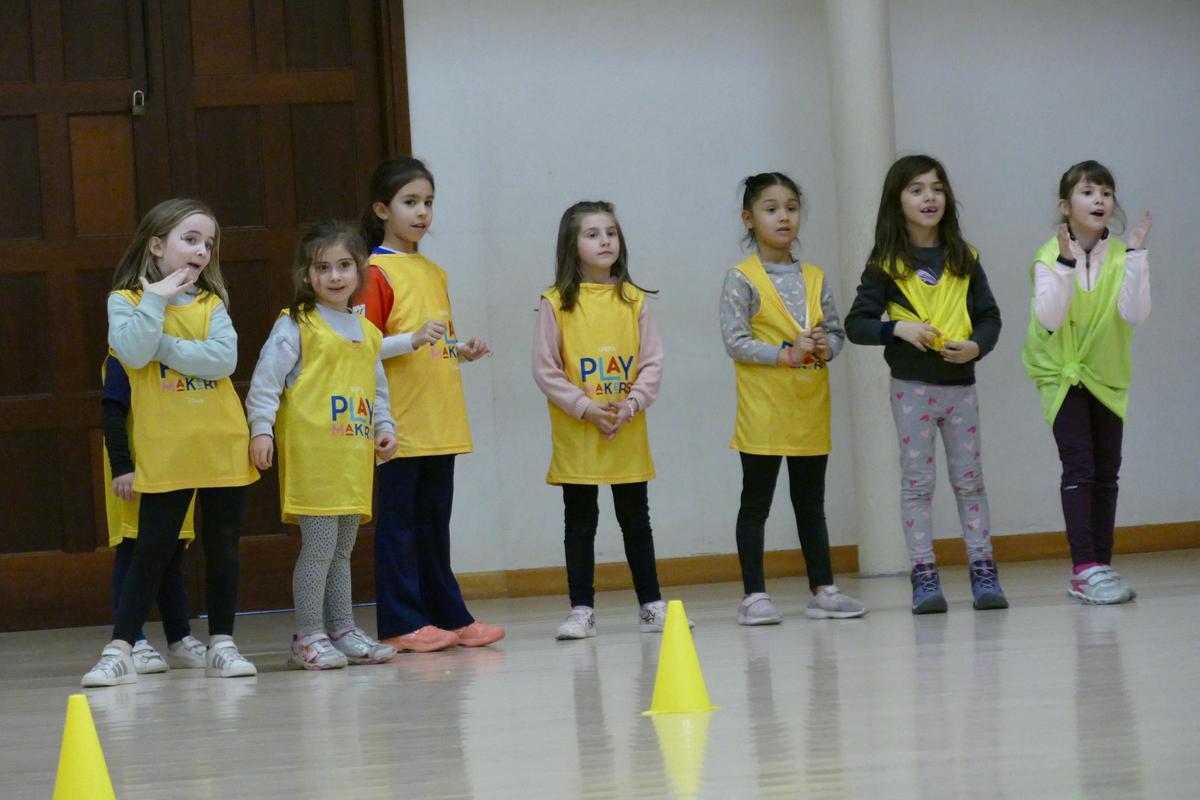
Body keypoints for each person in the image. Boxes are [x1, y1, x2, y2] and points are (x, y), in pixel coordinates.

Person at [83, 198, 259, 687]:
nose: (202, 250)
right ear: (157, 245)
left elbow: (223, 360)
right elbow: (132, 352)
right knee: (152, 550)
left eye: (209, 243)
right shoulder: (125, 302)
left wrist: (163, 347)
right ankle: (121, 649)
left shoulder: (212, 304)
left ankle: (222, 643)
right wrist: (156, 302)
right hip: (166, 449)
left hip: (222, 441)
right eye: (190, 239)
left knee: (222, 546)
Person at [845, 155, 1007, 613]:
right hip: (911, 389)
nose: (929, 197)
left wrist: (976, 346)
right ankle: (924, 574)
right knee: (917, 484)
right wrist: (898, 328)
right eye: (916, 190)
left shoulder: (965, 258)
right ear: (897, 202)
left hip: (961, 388)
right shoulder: (885, 263)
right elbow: (856, 325)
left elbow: (990, 317)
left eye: (936, 188)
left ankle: (983, 571)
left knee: (970, 481)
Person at [358, 157, 505, 652]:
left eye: (428, 202)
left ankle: (448, 615)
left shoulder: (434, 271)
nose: (422, 212)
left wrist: (460, 350)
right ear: (382, 209)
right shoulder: (374, 272)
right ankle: (401, 622)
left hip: (441, 419)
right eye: (410, 202)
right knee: (398, 526)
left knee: (434, 524)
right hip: (400, 423)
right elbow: (360, 346)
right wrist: (412, 339)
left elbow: (435, 344)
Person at [246, 222, 399, 669]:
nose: (334, 276)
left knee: (343, 550)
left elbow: (377, 390)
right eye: (323, 267)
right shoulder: (296, 324)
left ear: (360, 270)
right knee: (318, 549)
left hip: (352, 459)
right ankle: (308, 636)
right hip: (313, 458)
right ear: (306, 274)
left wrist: (384, 427)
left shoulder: (367, 332)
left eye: (344, 265)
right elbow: (266, 381)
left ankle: (342, 629)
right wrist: (261, 428)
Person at [722, 172, 866, 625]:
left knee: (811, 503)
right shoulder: (741, 278)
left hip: (808, 408)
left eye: (791, 207)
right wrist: (785, 354)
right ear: (749, 218)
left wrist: (826, 347)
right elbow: (735, 341)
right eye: (771, 209)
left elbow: (836, 333)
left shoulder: (815, 277)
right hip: (763, 409)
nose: (783, 217)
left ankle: (822, 589)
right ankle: (754, 596)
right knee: (756, 503)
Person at [533, 200, 672, 639]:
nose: (605, 241)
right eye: (592, 234)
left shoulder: (634, 300)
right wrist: (587, 408)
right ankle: (581, 609)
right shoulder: (555, 303)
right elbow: (546, 369)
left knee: (636, 520)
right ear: (571, 245)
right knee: (580, 523)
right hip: (579, 434)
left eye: (610, 232)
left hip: (626, 431)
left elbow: (652, 363)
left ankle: (651, 604)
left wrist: (630, 405)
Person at [1021, 160, 1151, 605]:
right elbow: (1050, 318)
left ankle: (1101, 566)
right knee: (1079, 466)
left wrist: (1137, 256)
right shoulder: (1047, 255)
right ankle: (1084, 568)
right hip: (1061, 374)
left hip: (1107, 376)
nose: (1099, 200)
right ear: (1065, 205)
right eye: (1088, 192)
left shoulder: (1123, 254)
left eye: (1106, 193)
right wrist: (1064, 264)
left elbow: (1135, 314)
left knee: (1107, 472)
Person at [101, 356, 206, 673]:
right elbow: (112, 412)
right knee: (133, 552)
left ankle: (179, 638)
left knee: (171, 553)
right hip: (136, 472)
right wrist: (122, 466)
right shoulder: (122, 356)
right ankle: (133, 641)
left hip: (174, 466)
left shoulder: (183, 351)